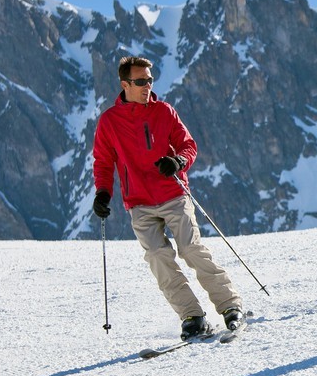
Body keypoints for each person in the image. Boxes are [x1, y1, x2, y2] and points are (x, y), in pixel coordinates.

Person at [91, 56, 243, 339]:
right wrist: (103, 192)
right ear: (125, 84)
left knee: (190, 249)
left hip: (172, 193)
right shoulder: (109, 121)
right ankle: (192, 316)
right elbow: (103, 161)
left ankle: (230, 305)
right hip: (138, 202)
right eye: (140, 81)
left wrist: (177, 161)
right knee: (158, 258)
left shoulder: (164, 112)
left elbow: (188, 145)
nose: (147, 85)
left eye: (150, 80)